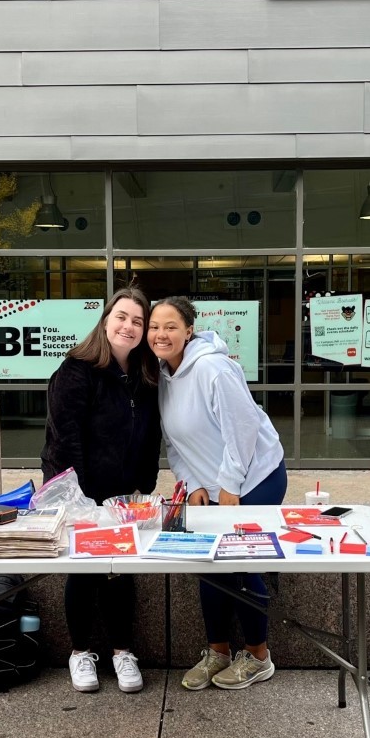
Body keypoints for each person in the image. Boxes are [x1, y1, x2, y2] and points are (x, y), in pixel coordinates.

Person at [146, 296, 287, 691]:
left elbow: (241, 430)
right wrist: (191, 486)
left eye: (171, 326)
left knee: (240, 561)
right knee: (208, 563)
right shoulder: (163, 376)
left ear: (189, 330)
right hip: (210, 485)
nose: (161, 334)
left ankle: (259, 656)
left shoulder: (212, 367)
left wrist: (229, 485)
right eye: (155, 326)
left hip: (256, 477)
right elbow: (175, 444)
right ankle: (218, 651)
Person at [42, 287, 161, 694]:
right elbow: (64, 440)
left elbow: (150, 436)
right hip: (81, 495)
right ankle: (79, 653)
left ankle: (122, 651)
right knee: (85, 570)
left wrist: (143, 487)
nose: (129, 326)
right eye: (122, 317)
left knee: (121, 572)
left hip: (124, 495)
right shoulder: (76, 370)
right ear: (106, 319)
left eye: (138, 321)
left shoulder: (145, 376)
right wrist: (81, 501)